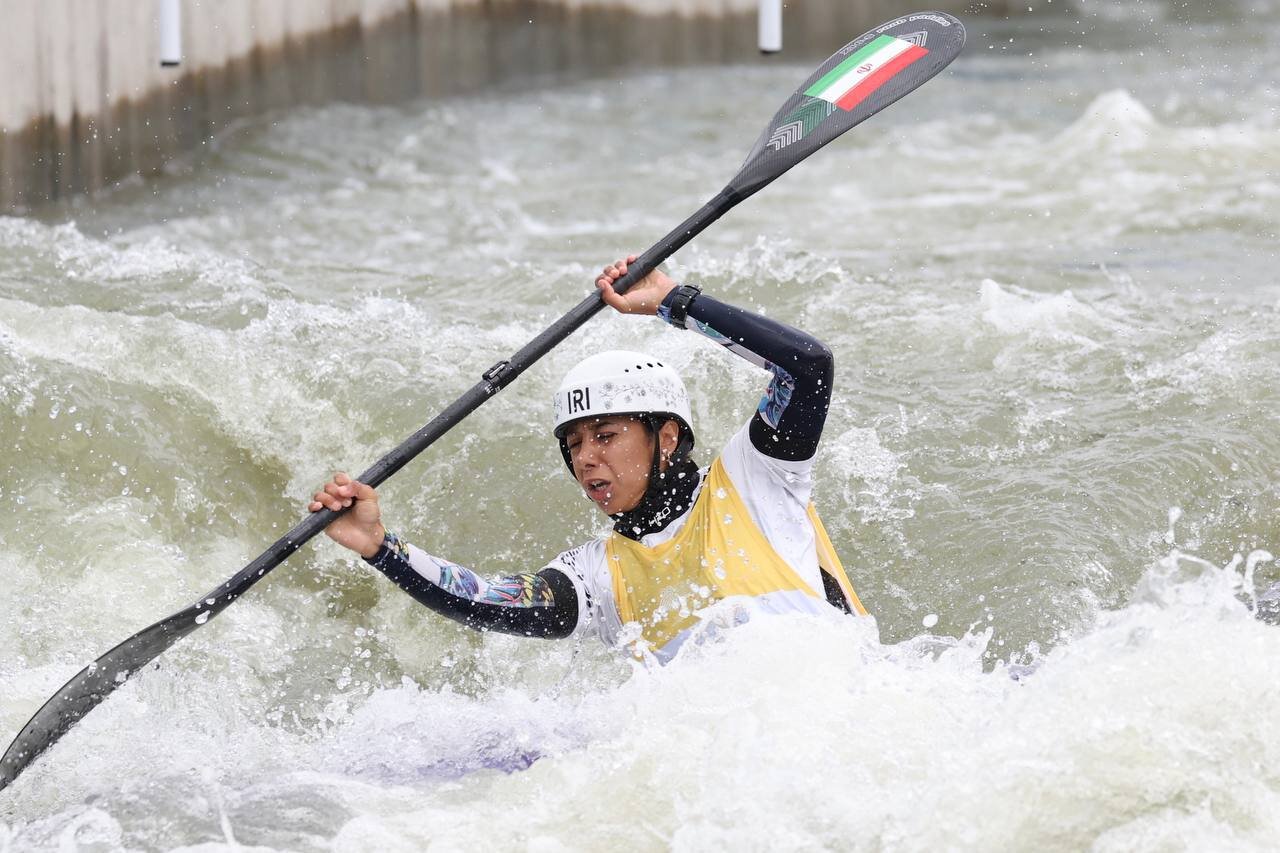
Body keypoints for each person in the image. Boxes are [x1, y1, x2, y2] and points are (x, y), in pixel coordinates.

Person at [310, 255, 866, 662]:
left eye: (605, 436)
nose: (586, 460)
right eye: (574, 445)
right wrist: (380, 547)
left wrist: (676, 302)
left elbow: (808, 368)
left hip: (842, 716)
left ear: (666, 437)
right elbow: (485, 600)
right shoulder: (599, 574)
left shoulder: (753, 478)